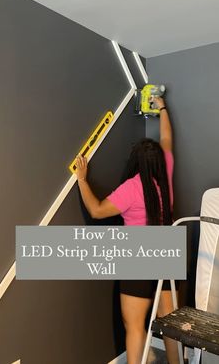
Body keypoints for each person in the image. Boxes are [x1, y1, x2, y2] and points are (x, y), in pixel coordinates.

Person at [75, 97, 180, 364]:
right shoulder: (164, 176)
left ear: (134, 161)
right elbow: (167, 138)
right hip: (166, 255)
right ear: (158, 160)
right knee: (170, 327)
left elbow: (97, 210)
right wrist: (162, 106)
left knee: (134, 327)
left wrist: (82, 180)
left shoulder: (132, 188)